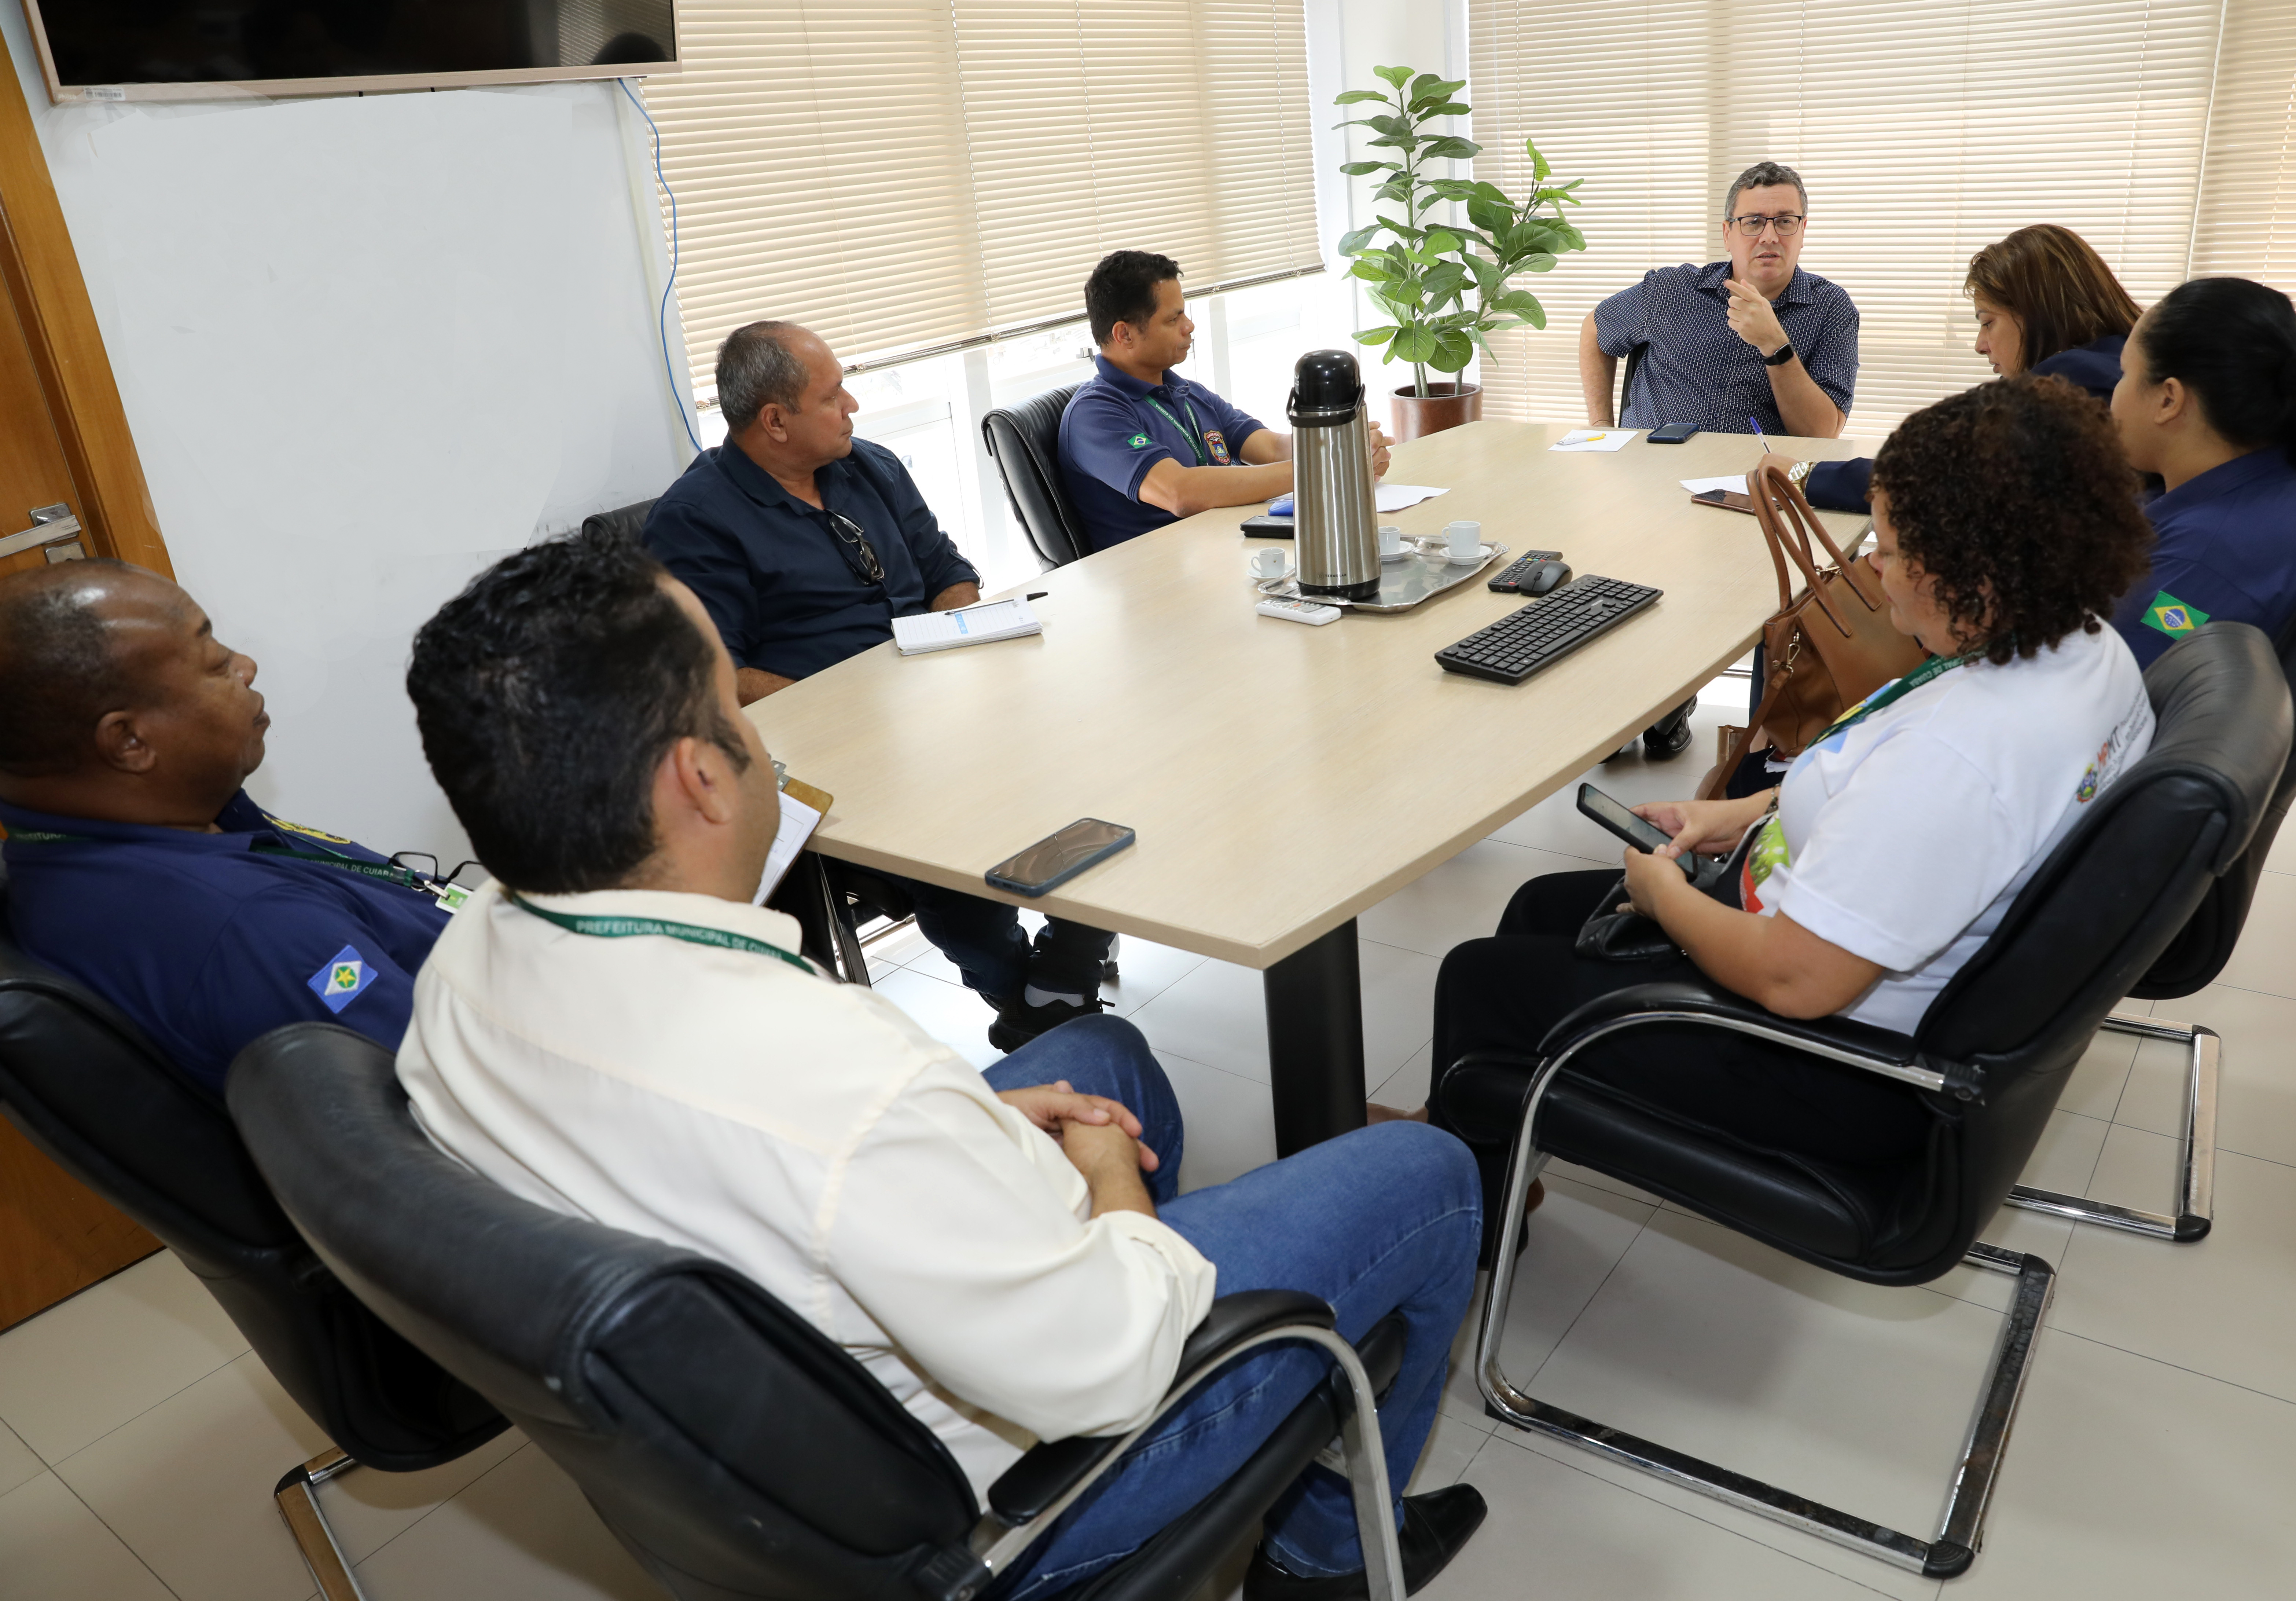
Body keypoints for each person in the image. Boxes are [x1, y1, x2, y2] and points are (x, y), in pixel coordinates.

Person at [397, 533, 1488, 1601]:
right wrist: (1108, 1181)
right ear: (702, 779)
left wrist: (971, 1125)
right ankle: (1327, 1560)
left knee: (1106, 1054)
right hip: (988, 1512)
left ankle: (1186, 1373)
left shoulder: (460, 962)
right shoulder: (845, 1089)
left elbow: (802, 1148)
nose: (757, 734)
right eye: (737, 703)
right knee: (1425, 1172)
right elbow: (1110, 1361)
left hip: (766, 1398)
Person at [1426, 377, 2155, 1242]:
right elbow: (1890, 783)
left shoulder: (1961, 761)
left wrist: (1668, 900)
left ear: (1973, 575)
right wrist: (1748, 811)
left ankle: (1444, 1228)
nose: (1872, 566)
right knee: (1538, 908)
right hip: (1852, 961)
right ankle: (1492, 1165)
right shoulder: (2084, 647)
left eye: (1891, 549)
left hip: (1833, 1069)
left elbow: (1794, 980)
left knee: (1478, 979)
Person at [646, 319, 1116, 1050]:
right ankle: (1021, 984)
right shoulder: (695, 521)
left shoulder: (871, 467)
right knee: (951, 843)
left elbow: (948, 571)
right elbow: (720, 677)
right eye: (833, 396)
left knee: (1106, 745)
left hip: (939, 702)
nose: (853, 407)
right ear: (775, 421)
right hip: (832, 744)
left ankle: (1066, 963)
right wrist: (862, 702)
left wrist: (953, 641)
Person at [0, 561, 451, 1090]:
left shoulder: (130, 833)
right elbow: (471, 1086)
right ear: (129, 742)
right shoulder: (257, 928)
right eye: (217, 664)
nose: (247, 667)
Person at [1791, 223, 2141, 513]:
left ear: (2038, 316)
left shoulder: (2075, 381)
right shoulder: (2121, 358)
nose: (1980, 345)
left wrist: (1804, 476)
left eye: (1988, 323)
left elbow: (1939, 479)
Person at [1058, 250, 1390, 552]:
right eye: (1173, 319)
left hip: (1225, 551)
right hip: (1164, 578)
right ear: (1125, 334)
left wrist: (1344, 446)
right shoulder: (1095, 414)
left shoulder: (1188, 392)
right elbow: (1180, 493)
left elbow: (1271, 447)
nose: (1189, 326)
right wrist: (1326, 467)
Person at [2106, 276, 2296, 670]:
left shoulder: (2204, 559)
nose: (2115, 391)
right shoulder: (2256, 488)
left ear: (2168, 399)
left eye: (2125, 372)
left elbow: (2107, 676)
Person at [1578, 161, 1859, 440]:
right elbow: (1595, 329)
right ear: (1728, 234)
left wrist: (1775, 344)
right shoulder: (1670, 289)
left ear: (1803, 231)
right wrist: (1601, 425)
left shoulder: (1830, 307)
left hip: (1758, 468)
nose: (1770, 237)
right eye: (1753, 222)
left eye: (1785, 222)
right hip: (1652, 461)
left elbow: (1822, 433)